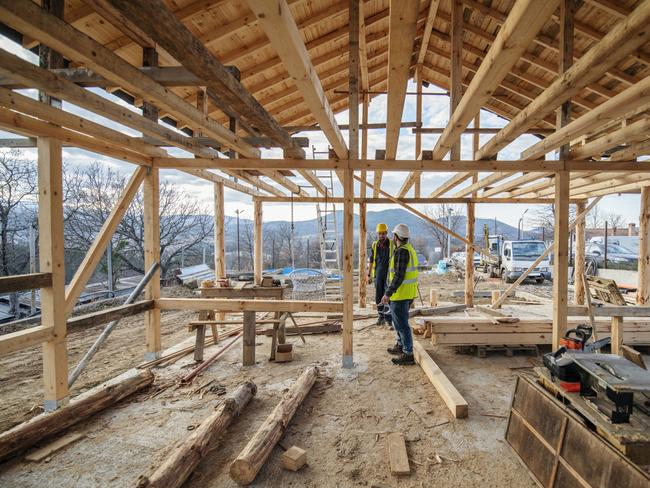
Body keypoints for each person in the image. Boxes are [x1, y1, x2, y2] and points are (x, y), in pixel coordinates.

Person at [381, 223, 419, 365]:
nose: (392, 237)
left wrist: (388, 293)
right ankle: (401, 345)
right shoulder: (409, 249)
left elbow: (398, 276)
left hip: (400, 295)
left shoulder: (402, 252)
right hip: (405, 294)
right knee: (398, 323)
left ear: (396, 236)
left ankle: (408, 353)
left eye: (393, 235)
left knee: (402, 324)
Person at [368, 222, 394, 326]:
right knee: (378, 296)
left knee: (387, 297)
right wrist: (368, 275)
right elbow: (371, 260)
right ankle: (380, 316)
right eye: (379, 234)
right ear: (377, 234)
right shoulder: (375, 245)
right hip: (378, 275)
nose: (381, 236)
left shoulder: (392, 244)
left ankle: (388, 319)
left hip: (388, 275)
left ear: (386, 233)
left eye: (383, 234)